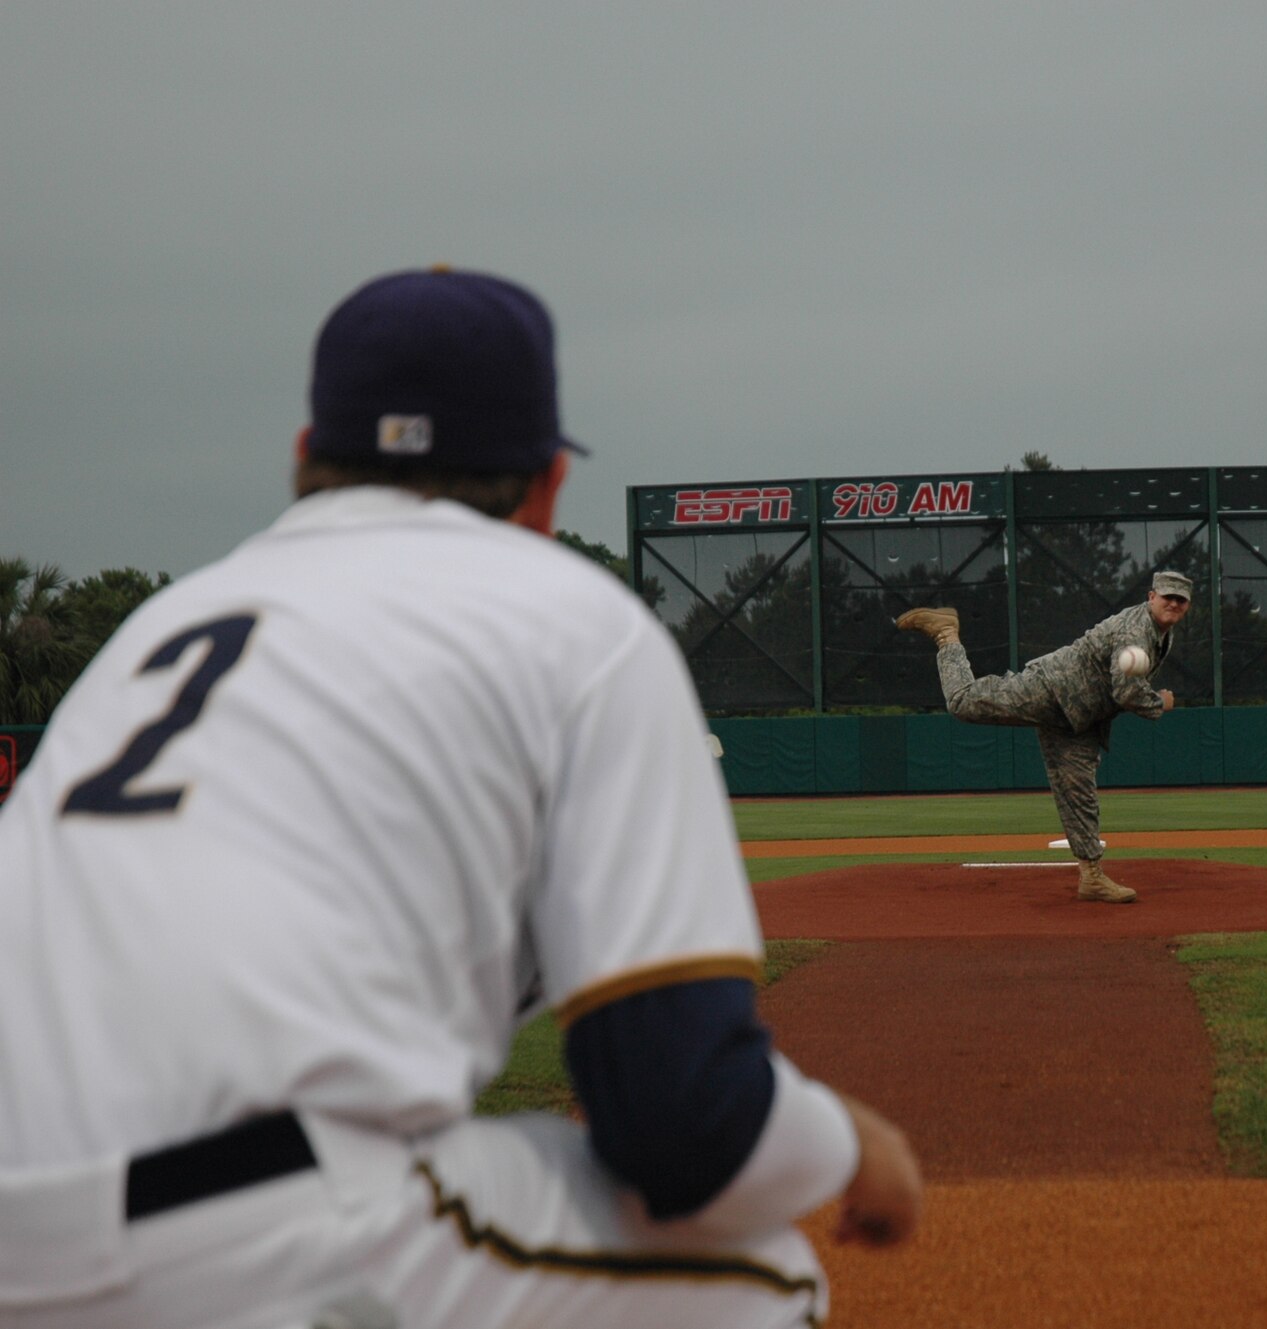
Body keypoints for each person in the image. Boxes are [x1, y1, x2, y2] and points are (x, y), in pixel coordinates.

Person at [0, 268, 919, 1329]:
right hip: (237, 1245)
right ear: (544, 489)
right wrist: (856, 1146)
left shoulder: (158, 631)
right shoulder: (573, 620)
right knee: (758, 1270)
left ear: (305, 462)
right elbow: (686, 1132)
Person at [895, 571, 1193, 904]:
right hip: (1052, 689)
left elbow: (1119, 687)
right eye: (1168, 596)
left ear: (1187, 605)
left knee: (1078, 791)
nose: (1174, 603)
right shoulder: (1135, 630)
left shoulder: (1161, 633)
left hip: (1079, 716)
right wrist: (1159, 702)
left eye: (1181, 599)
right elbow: (1126, 692)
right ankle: (946, 634)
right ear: (1152, 597)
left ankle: (1092, 878)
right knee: (963, 702)